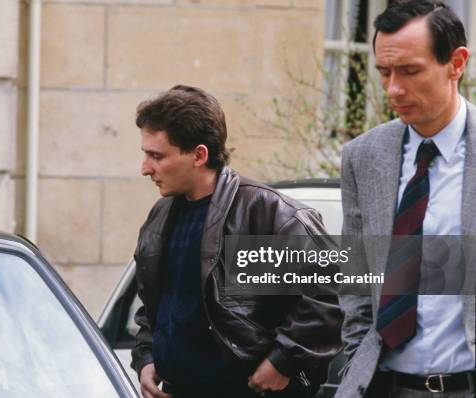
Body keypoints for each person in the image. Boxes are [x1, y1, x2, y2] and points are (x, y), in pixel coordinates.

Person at [130, 84, 342, 398]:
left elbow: (331, 292)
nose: (145, 168)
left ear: (199, 155)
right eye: (145, 154)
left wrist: (283, 361)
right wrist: (146, 357)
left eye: (157, 156)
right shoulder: (161, 216)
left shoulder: (267, 214)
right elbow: (156, 304)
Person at [337, 1, 475, 397]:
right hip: (381, 385)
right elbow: (357, 277)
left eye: (410, 71)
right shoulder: (362, 157)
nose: (393, 88)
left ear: (456, 62)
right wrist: (355, 359)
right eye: (384, 72)